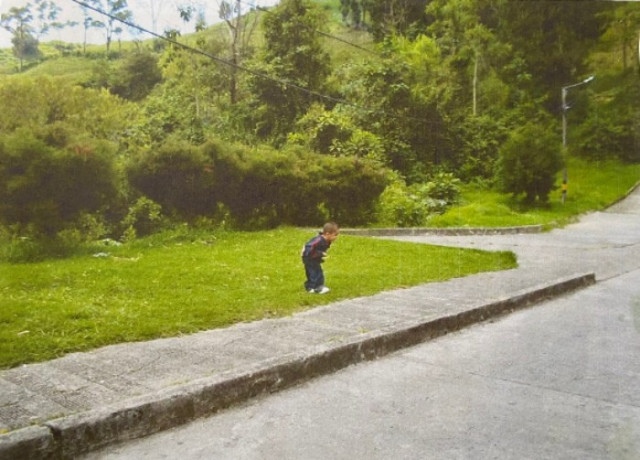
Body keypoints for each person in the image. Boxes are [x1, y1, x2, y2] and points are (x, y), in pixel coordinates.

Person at [301, 222, 339, 294]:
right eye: (335, 235)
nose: (336, 237)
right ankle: (318, 287)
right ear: (327, 234)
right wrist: (320, 253)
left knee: (312, 272)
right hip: (309, 258)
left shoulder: (327, 240)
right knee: (317, 272)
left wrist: (320, 256)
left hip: (313, 258)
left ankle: (310, 287)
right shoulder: (319, 240)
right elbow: (309, 247)